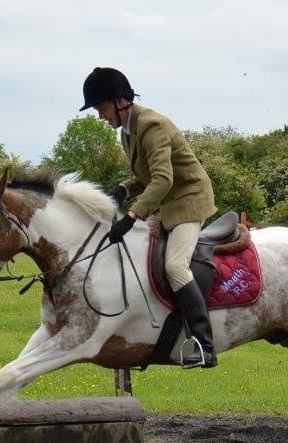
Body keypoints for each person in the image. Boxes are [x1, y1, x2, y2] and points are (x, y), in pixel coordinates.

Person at [80, 66, 217, 369]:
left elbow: (164, 180)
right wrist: (123, 188)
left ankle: (204, 344)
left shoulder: (151, 126)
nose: (100, 116)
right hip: (167, 202)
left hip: (189, 201)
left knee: (175, 266)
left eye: (102, 108)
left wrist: (130, 216)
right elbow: (146, 177)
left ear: (120, 102)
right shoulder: (128, 132)